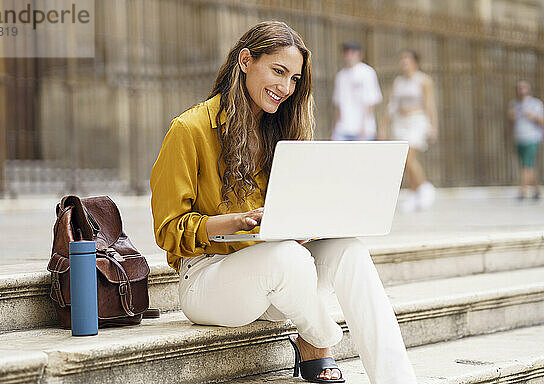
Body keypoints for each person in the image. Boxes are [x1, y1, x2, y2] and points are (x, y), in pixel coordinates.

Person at [150, 21, 417, 383]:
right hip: (208, 281)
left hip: (284, 283)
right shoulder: (189, 130)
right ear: (245, 60)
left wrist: (314, 222)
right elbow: (168, 231)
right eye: (278, 71)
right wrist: (234, 222)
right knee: (287, 257)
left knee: (349, 251)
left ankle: (396, 379)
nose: (286, 88)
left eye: (294, 79)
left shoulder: (285, 134)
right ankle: (320, 342)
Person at [387, 49, 438, 212]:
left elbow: (429, 104)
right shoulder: (398, 82)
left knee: (409, 157)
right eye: (402, 59)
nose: (404, 62)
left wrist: (433, 126)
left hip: (417, 122)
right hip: (400, 124)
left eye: (407, 59)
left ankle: (423, 187)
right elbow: (392, 105)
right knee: (405, 160)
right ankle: (414, 193)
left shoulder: (423, 80)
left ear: (415, 62)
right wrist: (384, 126)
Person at [330, 41, 383, 141]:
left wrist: (363, 126)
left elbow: (371, 102)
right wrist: (334, 129)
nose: (349, 56)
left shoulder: (367, 72)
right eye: (347, 53)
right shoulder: (341, 76)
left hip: (362, 129)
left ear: (359, 54)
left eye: (352, 53)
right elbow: (338, 104)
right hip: (343, 128)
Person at [508, 80, 544, 200]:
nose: (521, 90)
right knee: (527, 165)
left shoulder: (535, 104)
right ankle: (536, 190)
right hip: (519, 138)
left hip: (532, 138)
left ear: (528, 89)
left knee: (526, 165)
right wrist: (511, 117)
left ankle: (522, 192)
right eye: (519, 88)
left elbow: (542, 122)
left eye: (523, 88)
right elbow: (511, 122)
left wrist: (533, 116)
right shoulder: (514, 104)